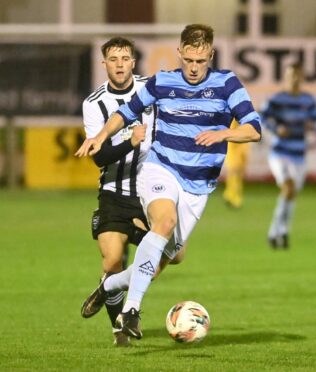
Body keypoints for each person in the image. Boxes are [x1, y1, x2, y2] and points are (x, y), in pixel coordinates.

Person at [75, 24, 261, 340]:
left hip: (198, 186)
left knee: (163, 259)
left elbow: (254, 128)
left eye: (200, 61)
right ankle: (129, 312)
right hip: (160, 170)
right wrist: (101, 136)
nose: (193, 67)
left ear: (211, 56)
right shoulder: (163, 82)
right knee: (164, 222)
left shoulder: (227, 84)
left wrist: (224, 133)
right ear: (179, 53)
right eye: (188, 59)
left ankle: (110, 285)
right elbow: (127, 111)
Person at [79, 36, 154, 346]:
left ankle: (108, 288)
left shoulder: (151, 89)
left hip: (151, 190)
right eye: (114, 59)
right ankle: (120, 330)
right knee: (112, 261)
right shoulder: (94, 103)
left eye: (125, 58)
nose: (120, 64)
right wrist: (130, 142)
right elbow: (100, 156)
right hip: (113, 191)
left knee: (175, 255)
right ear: (104, 64)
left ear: (133, 62)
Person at [261, 63, 316, 250]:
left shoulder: (308, 100)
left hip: (299, 154)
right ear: (286, 78)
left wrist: (313, 127)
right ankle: (275, 231)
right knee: (288, 188)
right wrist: (276, 129)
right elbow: (261, 117)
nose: (294, 79)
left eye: (297, 75)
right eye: (291, 75)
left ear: (302, 78)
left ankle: (282, 231)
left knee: (291, 194)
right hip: (280, 153)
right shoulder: (277, 99)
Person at [222, 120, 251, 209]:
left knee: (239, 171)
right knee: (234, 170)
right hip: (233, 142)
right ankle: (233, 197)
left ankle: (230, 194)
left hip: (243, 142)